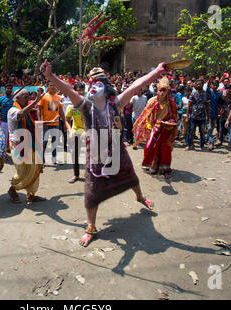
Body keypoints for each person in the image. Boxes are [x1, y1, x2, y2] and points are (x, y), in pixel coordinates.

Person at [41, 60, 166, 247]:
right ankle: (91, 227)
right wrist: (50, 76)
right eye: (91, 84)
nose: (92, 87)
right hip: (95, 156)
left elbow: (137, 85)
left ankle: (139, 197)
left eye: (97, 84)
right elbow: (68, 89)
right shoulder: (84, 105)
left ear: (106, 89)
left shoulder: (116, 103)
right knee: (91, 192)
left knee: (130, 175)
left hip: (116, 149)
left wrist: (157, 71)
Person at [132, 77, 178, 178]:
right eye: (160, 90)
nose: (162, 93)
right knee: (150, 146)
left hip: (166, 129)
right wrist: (149, 124)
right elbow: (146, 115)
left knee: (165, 148)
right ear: (157, 90)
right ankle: (151, 165)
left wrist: (169, 123)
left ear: (167, 91)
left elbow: (174, 117)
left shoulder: (171, 103)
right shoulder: (152, 101)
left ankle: (164, 168)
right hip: (154, 128)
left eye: (164, 90)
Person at [7, 89, 46, 204]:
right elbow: (20, 115)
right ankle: (13, 189)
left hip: (29, 143)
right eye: (24, 96)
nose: (27, 97)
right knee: (22, 171)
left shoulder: (27, 111)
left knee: (34, 169)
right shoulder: (12, 110)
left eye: (28, 95)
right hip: (18, 145)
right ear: (16, 98)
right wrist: (35, 102)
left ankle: (31, 195)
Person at [38, 82, 65, 164]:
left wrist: (64, 122)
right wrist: (40, 121)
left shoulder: (58, 97)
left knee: (54, 142)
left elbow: (60, 111)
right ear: (48, 87)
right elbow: (39, 109)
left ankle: (54, 158)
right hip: (45, 123)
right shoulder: (44, 96)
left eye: (54, 85)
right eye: (51, 85)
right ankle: (42, 160)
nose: (52, 86)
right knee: (44, 142)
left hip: (55, 124)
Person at [65, 81, 86, 183]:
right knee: (75, 154)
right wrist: (70, 131)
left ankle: (92, 175)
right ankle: (76, 175)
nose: (80, 92)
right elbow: (67, 120)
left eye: (82, 90)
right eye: (78, 90)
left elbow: (93, 120)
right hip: (76, 131)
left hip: (88, 131)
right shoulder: (70, 106)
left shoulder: (89, 104)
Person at [184, 79, 209, 151]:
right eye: (197, 84)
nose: (198, 85)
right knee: (190, 131)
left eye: (200, 84)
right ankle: (188, 145)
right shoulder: (193, 93)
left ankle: (202, 145)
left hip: (202, 116)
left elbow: (207, 105)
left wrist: (208, 117)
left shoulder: (205, 94)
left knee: (202, 132)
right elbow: (189, 105)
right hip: (193, 115)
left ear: (203, 85)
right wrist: (187, 116)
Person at [0, 84, 15, 151]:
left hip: (13, 122)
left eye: (10, 88)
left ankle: (11, 150)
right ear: (5, 89)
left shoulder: (14, 99)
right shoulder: (1, 99)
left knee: (12, 138)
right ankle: (3, 151)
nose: (9, 90)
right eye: (8, 88)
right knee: (4, 138)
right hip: (3, 122)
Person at [206, 80, 223, 150]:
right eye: (213, 85)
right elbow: (207, 88)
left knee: (212, 128)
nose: (215, 86)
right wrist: (210, 79)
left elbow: (220, 103)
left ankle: (207, 139)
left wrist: (221, 108)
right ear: (211, 85)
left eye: (216, 85)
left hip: (215, 113)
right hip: (208, 113)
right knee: (210, 128)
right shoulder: (209, 92)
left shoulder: (219, 94)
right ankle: (211, 143)